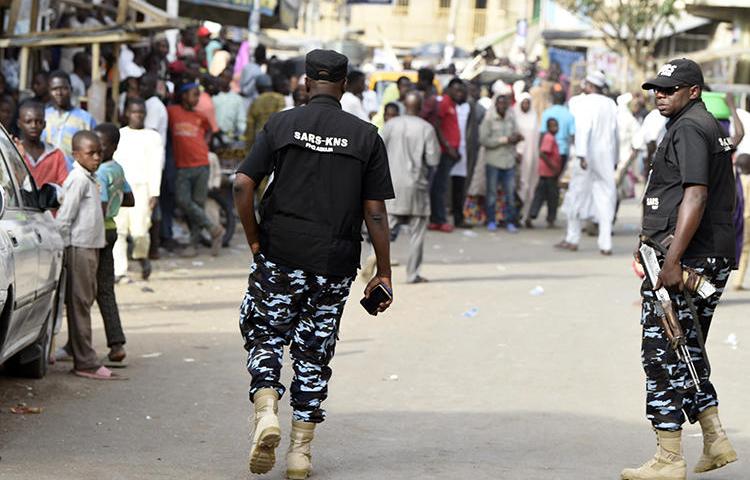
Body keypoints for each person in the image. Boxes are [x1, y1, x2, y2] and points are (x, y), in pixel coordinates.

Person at [232, 49, 394, 479]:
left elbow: (243, 183)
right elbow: (375, 211)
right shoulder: (365, 136)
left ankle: (266, 405)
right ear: (344, 85)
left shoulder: (282, 124)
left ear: (305, 83)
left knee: (264, 332)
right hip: (335, 261)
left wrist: (253, 236)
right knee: (314, 352)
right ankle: (300, 455)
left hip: (280, 252)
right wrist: (384, 271)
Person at [622, 58, 738, 480]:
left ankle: (669, 458)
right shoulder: (702, 124)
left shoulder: (690, 127)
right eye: (657, 88)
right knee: (684, 349)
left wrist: (671, 263)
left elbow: (696, 196)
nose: (660, 94)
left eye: (669, 89)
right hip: (698, 252)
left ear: (693, 91)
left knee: (660, 353)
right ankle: (715, 438)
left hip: (687, 258)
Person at [55, 131, 120, 380]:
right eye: (90, 153)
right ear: (76, 155)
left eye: (98, 152)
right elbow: (65, 218)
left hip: (91, 246)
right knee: (80, 303)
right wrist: (60, 249)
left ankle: (76, 347)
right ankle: (86, 361)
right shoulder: (78, 180)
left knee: (84, 300)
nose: (96, 157)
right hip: (79, 248)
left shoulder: (90, 177)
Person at [557, 71, 618, 255]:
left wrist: (582, 154)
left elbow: (583, 128)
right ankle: (605, 244)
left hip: (588, 156)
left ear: (589, 86)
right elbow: (616, 134)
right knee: (606, 197)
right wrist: (615, 159)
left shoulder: (584, 102)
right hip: (606, 157)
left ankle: (572, 238)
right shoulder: (610, 104)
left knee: (576, 194)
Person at [381, 91, 439, 283]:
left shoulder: (390, 125)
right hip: (416, 185)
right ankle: (412, 274)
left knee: (386, 229)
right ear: (421, 106)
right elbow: (433, 159)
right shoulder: (426, 128)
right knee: (417, 230)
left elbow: (378, 151)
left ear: (404, 105)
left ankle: (376, 261)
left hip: (391, 183)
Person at [167, 81, 225, 257]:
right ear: (184, 95)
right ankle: (213, 228)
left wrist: (203, 144)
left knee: (198, 204)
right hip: (183, 166)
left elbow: (210, 131)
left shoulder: (201, 116)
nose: (197, 98)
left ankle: (193, 245)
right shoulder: (173, 112)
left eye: (198, 95)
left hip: (201, 164)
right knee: (183, 201)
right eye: (194, 94)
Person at [93, 124, 133, 363]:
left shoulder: (100, 172)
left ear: (113, 147)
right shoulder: (117, 169)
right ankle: (116, 343)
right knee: (105, 290)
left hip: (97, 233)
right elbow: (129, 198)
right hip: (112, 230)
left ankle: (77, 344)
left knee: (81, 291)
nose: (97, 151)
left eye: (101, 146)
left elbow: (101, 207)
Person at [113, 99, 164, 281]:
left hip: (142, 189)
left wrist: (154, 192)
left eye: (141, 112)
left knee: (140, 231)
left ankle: (141, 256)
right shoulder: (120, 135)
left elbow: (155, 165)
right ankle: (120, 271)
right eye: (135, 112)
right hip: (120, 188)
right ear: (127, 113)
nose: (138, 116)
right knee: (119, 230)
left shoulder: (153, 137)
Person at [479, 88, 523, 232]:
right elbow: (484, 140)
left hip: (509, 161)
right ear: (496, 104)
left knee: (510, 194)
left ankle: (510, 221)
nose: (503, 106)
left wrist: (517, 139)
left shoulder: (511, 118)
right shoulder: (489, 119)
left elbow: (516, 134)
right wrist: (504, 140)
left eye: (505, 103)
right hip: (493, 161)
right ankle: (491, 220)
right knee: (491, 194)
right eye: (500, 103)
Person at [428, 78, 465, 233]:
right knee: (440, 187)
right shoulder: (444, 102)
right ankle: (439, 220)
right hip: (444, 152)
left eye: (460, 91)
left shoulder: (452, 104)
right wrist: (448, 147)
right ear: (449, 89)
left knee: (440, 185)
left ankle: (437, 219)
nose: (459, 93)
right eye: (456, 90)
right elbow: (437, 125)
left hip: (450, 152)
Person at [42, 70, 97, 168]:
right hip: (46, 174)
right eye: (54, 89)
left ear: (71, 89)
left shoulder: (85, 118)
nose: (59, 93)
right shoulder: (43, 115)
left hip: (73, 176)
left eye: (63, 89)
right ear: (49, 91)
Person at [538, 88, 575, 222]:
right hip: (561, 153)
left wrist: (540, 152)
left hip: (547, 153)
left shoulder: (547, 113)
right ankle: (551, 214)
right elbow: (572, 136)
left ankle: (547, 213)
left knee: (546, 184)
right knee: (554, 185)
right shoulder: (569, 114)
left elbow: (542, 133)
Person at [15, 100, 68, 188]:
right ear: (19, 124)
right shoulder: (14, 152)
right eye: (28, 122)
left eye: (38, 121)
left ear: (44, 124)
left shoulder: (56, 154)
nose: (33, 126)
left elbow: (63, 186)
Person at [527, 118, 562, 228]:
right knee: (551, 197)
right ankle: (546, 218)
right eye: (552, 126)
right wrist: (553, 167)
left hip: (546, 173)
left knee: (541, 196)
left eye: (556, 126)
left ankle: (532, 216)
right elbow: (543, 154)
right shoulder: (549, 138)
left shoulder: (550, 137)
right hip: (548, 173)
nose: (555, 128)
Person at [515, 92, 539, 225]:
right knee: (520, 184)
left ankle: (527, 215)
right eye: (523, 103)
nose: (526, 105)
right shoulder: (515, 116)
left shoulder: (534, 116)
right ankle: (517, 214)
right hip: (520, 156)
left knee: (531, 185)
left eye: (527, 103)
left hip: (533, 156)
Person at [245, 74, 286, 148]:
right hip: (277, 139)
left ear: (258, 87)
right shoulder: (280, 98)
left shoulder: (256, 101)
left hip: (260, 140)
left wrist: (249, 146)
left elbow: (250, 126)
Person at [213, 69, 247, 143]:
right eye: (222, 77)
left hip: (229, 138)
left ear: (230, 79)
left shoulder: (237, 99)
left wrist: (246, 133)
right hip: (213, 137)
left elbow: (241, 120)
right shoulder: (213, 97)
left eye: (226, 77)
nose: (223, 80)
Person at [734, 154, 750, 290]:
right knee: (745, 250)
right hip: (747, 218)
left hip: (736, 218)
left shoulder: (735, 181)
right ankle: (738, 281)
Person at [140, 74, 168, 148]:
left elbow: (149, 133)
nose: (141, 88)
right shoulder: (149, 103)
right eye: (141, 85)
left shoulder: (154, 106)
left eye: (144, 85)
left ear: (153, 88)